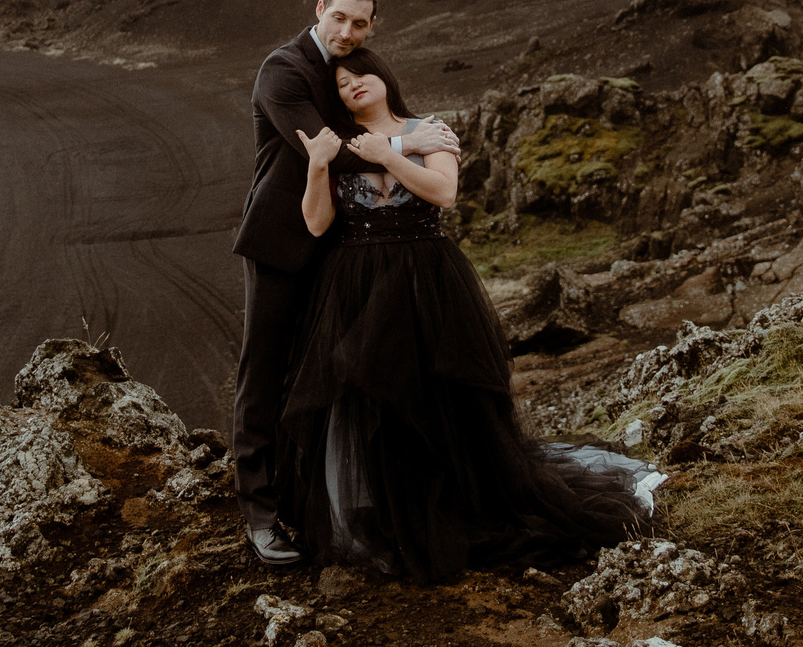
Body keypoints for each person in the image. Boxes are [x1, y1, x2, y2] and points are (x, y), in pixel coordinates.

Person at [280, 44, 657, 580]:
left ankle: (456, 502)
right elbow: (317, 224)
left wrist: (390, 154)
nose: (353, 85)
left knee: (444, 400)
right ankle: (394, 512)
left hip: (427, 282)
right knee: (377, 402)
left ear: (384, 77)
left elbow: (444, 192)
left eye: (362, 74)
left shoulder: (431, 129)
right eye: (341, 83)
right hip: (356, 287)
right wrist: (319, 166)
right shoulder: (336, 145)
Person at [230, 0, 459, 567]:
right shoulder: (282, 70)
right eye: (339, 18)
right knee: (265, 373)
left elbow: (377, 116)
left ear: (371, 26)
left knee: (325, 382)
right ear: (319, 10)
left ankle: (325, 504)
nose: (347, 32)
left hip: (342, 247)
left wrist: (410, 136)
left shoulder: (354, 62)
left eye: (359, 24)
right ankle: (259, 515)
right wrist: (415, 143)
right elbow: (323, 145)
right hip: (284, 244)